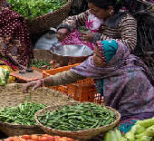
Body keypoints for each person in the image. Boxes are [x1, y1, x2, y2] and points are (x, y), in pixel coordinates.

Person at [24, 40, 154, 128]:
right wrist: (42, 81)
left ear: (112, 60)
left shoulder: (133, 76)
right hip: (117, 109)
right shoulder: (95, 64)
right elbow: (70, 75)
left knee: (125, 135)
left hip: (141, 112)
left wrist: (114, 119)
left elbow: (133, 106)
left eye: (99, 57)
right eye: (94, 54)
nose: (93, 58)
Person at [56, 0, 137, 52]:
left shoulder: (126, 20)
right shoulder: (92, 13)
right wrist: (65, 27)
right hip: (96, 50)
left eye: (95, 10)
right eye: (90, 9)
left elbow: (129, 45)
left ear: (110, 9)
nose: (91, 12)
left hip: (111, 54)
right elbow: (75, 19)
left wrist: (97, 38)